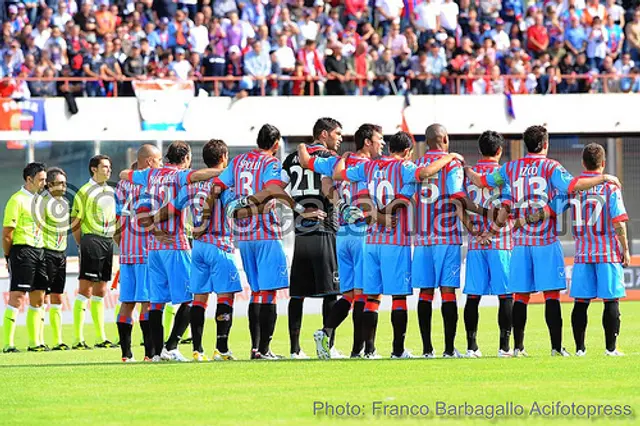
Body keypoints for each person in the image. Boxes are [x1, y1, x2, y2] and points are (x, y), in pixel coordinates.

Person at [465, 125, 621, 357]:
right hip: (545, 241)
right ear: (545, 145)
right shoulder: (551, 167)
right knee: (551, 296)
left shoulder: (510, 168)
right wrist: (605, 177)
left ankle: (518, 348)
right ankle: (556, 348)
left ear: (526, 144)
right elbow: (572, 187)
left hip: (519, 242)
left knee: (521, 296)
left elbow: (481, 181)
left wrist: (464, 167)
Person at [326, 131, 462, 358]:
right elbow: (426, 172)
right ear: (408, 152)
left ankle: (368, 351)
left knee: (371, 298)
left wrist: (344, 156)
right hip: (395, 241)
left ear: (389, 148)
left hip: (370, 241)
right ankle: (398, 350)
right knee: (398, 297)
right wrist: (449, 157)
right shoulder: (405, 168)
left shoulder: (369, 166)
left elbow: (338, 174)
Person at [214, 124, 325, 360]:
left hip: (243, 237)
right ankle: (264, 350)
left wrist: (233, 210)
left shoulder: (238, 161)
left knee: (256, 293)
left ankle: (256, 349)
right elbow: (274, 190)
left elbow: (218, 186)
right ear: (276, 144)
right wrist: (299, 209)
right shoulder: (270, 163)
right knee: (269, 293)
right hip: (266, 232)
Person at [124, 141, 221, 362]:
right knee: (192, 297)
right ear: (186, 158)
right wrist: (224, 170)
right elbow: (199, 176)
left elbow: (130, 187)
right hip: (175, 244)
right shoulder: (179, 175)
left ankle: (157, 353)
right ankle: (173, 345)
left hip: (154, 248)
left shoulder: (149, 175)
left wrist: (152, 230)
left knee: (157, 302)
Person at [299, 123, 386, 359]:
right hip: (364, 231)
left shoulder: (338, 161)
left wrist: (339, 204)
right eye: (380, 139)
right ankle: (364, 350)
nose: (383, 143)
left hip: (343, 233)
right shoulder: (373, 166)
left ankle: (325, 331)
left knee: (348, 295)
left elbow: (309, 163)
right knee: (368, 294)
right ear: (367, 142)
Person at [172, 140, 263, 361]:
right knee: (225, 297)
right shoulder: (225, 183)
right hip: (220, 244)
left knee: (199, 298)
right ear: (223, 157)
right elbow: (234, 209)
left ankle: (197, 349)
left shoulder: (191, 184)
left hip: (199, 247)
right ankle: (221, 348)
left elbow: (175, 208)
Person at [412, 124, 485, 359]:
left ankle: (426, 350)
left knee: (424, 293)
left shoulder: (419, 164)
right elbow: (457, 197)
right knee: (447, 292)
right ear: (444, 138)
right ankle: (448, 349)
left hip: (422, 238)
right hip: (446, 236)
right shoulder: (452, 163)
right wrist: (481, 216)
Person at [552, 144, 628, 356]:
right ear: (603, 164)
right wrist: (626, 249)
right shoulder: (610, 187)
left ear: (583, 163)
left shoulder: (575, 187)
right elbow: (619, 222)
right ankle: (611, 349)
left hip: (583, 253)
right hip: (607, 252)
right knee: (611, 300)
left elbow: (553, 209)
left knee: (581, 302)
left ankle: (580, 349)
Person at [281, 118, 343, 359]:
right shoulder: (328, 158)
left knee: (298, 293)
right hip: (325, 227)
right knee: (331, 291)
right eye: (337, 133)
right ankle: (328, 347)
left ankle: (295, 350)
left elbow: (275, 188)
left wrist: (297, 208)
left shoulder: (291, 159)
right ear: (324, 134)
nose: (340, 138)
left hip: (300, 230)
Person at [462, 131, 513, 358]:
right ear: (499, 150)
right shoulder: (504, 174)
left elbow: (459, 205)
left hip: (476, 243)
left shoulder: (467, 175)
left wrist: (474, 232)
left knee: (473, 296)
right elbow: (506, 208)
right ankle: (504, 348)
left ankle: (472, 347)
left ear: (480, 150)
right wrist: (491, 232)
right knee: (506, 295)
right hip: (500, 241)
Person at [114, 144, 163, 362]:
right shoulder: (152, 183)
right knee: (148, 302)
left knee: (127, 302)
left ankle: (126, 354)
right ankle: (149, 354)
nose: (161, 164)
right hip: (146, 252)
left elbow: (116, 222)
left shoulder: (122, 185)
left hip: (127, 254)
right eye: (159, 160)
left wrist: (122, 243)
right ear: (149, 161)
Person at [71, 155, 117, 350]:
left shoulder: (111, 191)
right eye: (104, 167)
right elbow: (75, 221)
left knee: (101, 291)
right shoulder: (84, 192)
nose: (108, 170)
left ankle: (100, 337)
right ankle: (78, 339)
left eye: (109, 166)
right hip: (91, 240)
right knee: (85, 289)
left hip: (107, 242)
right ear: (93, 169)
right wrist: (84, 244)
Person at [2, 163, 48, 353]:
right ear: (29, 179)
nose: (44, 183)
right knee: (17, 297)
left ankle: (34, 342)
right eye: (41, 179)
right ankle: (8, 344)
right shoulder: (17, 200)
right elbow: (7, 234)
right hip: (22, 251)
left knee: (38, 298)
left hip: (40, 251)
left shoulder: (40, 201)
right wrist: (8, 256)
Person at [42, 167, 71, 351]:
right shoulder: (41, 203)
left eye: (64, 183)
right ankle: (38, 339)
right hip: (46, 253)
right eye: (60, 183)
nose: (64, 186)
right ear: (49, 184)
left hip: (61, 254)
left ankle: (58, 340)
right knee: (42, 298)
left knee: (57, 297)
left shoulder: (65, 203)